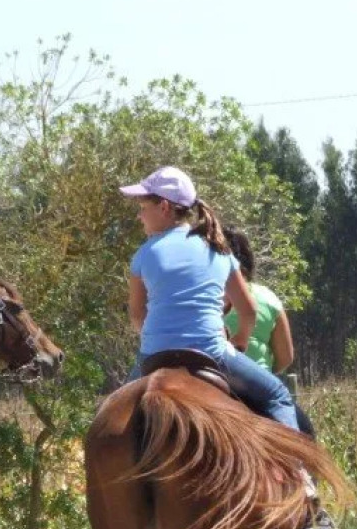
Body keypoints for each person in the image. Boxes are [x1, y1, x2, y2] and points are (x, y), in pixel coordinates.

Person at [119, 166, 301, 433]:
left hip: (153, 354)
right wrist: (239, 340)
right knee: (278, 396)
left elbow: (137, 317)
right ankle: (297, 473)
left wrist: (156, 338)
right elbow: (248, 311)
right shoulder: (220, 251)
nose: (139, 215)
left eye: (143, 206)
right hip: (212, 353)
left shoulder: (144, 255)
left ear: (165, 207)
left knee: (114, 410)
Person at [222, 226, 335, 529]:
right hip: (254, 384)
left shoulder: (204, 291)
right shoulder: (267, 298)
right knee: (305, 433)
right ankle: (307, 504)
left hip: (210, 375)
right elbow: (286, 356)